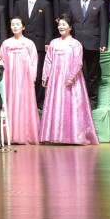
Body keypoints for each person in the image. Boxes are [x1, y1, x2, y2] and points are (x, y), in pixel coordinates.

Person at [39, 17, 99, 145]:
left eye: (64, 24)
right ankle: (55, 136)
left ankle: (73, 136)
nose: (61, 27)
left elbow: (78, 62)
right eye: (59, 25)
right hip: (56, 79)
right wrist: (45, 76)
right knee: (56, 105)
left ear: (70, 27)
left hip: (71, 80)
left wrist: (71, 77)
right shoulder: (53, 43)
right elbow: (48, 60)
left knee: (71, 106)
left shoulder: (75, 44)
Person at [0, 17, 40, 144]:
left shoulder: (29, 43)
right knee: (10, 102)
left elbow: (34, 61)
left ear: (23, 27)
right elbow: (1, 61)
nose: (15, 26)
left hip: (25, 79)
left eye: (17, 24)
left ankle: (25, 134)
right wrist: (2, 78)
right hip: (9, 79)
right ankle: (9, 135)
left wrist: (32, 78)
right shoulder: (6, 43)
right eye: (12, 24)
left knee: (24, 103)